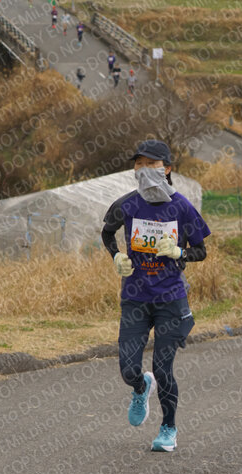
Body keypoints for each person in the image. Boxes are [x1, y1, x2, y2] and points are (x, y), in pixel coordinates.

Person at [100, 140, 211, 452]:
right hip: (135, 297)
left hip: (170, 298)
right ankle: (140, 386)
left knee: (163, 369)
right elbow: (107, 232)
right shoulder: (127, 204)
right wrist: (116, 256)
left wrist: (179, 252)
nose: (144, 169)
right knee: (128, 368)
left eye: (152, 164)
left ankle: (168, 429)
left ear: (167, 169)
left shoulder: (182, 207)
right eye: (139, 164)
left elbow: (201, 250)